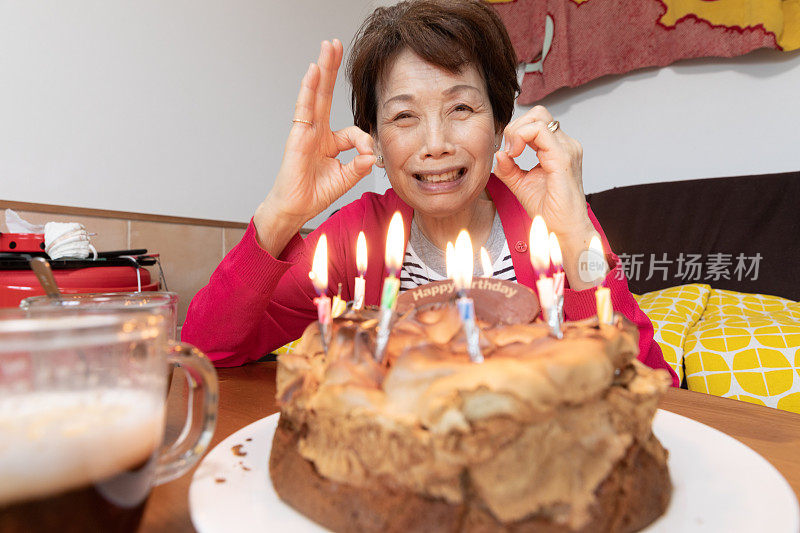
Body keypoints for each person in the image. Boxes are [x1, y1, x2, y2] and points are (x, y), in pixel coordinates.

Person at [182, 0, 678, 386]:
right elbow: (207, 350)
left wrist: (574, 235)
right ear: (374, 138)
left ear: (500, 121)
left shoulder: (548, 220)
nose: (436, 145)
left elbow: (648, 384)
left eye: (461, 108)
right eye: (404, 116)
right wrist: (280, 212)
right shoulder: (355, 236)